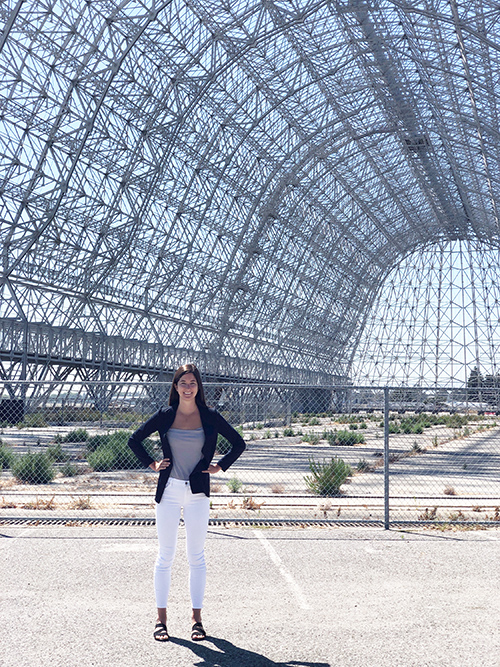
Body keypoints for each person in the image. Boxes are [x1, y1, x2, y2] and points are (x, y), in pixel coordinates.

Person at [127, 363, 246, 642]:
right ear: (176, 386)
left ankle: (196, 619)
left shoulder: (210, 416)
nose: (188, 387)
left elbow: (238, 443)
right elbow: (134, 440)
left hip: (197, 494)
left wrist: (220, 466)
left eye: (193, 383)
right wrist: (152, 463)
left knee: (196, 557)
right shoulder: (165, 415)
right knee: (165, 556)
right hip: (168, 491)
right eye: (183, 383)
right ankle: (161, 619)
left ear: (198, 387)